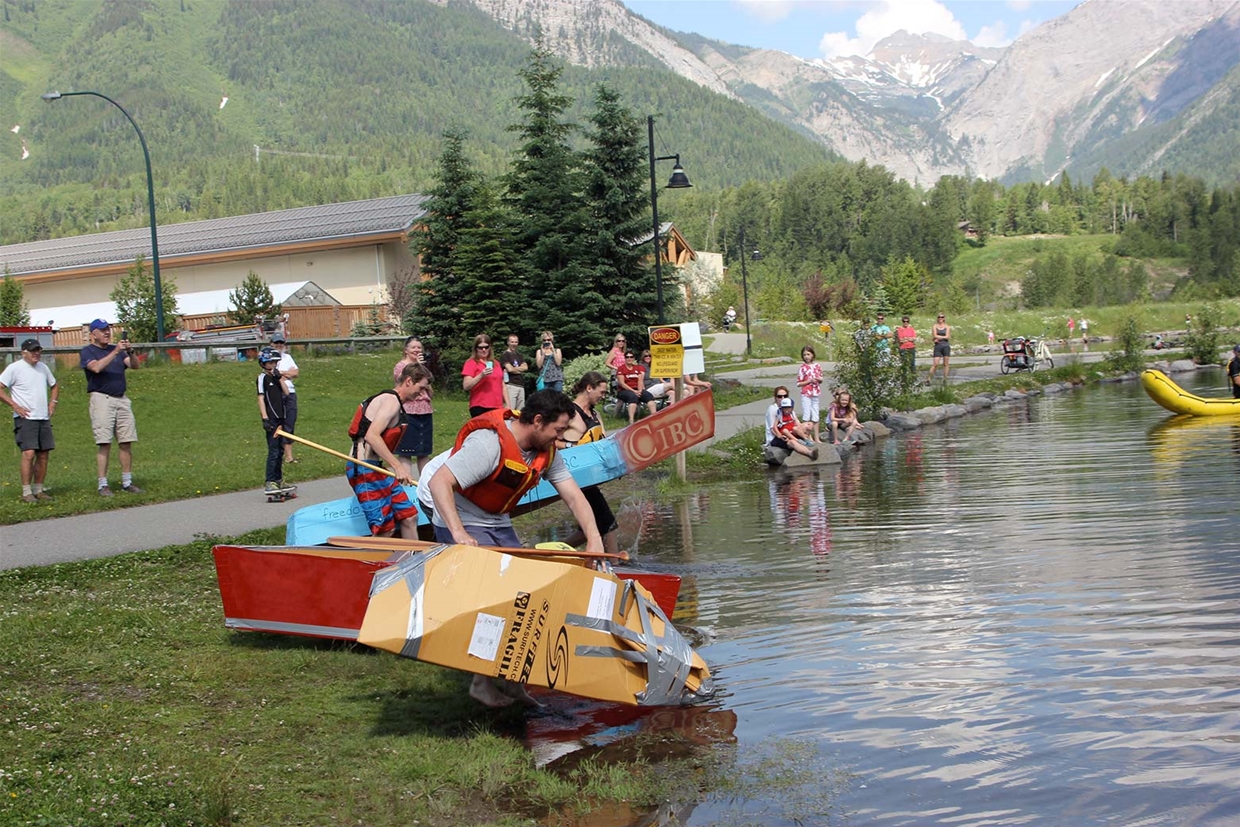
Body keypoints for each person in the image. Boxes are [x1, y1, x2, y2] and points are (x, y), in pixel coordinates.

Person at [427, 389, 603, 708]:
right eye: (559, 430)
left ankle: (513, 682)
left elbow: (575, 496)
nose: (561, 438)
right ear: (537, 421)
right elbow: (439, 482)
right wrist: (458, 533)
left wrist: (594, 539)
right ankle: (481, 683)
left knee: (527, 594)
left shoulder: (546, 451)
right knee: (493, 600)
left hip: (495, 516)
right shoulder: (488, 444)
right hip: (458, 510)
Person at [348, 362, 431, 539]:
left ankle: (414, 562)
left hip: (376, 467)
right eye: (420, 387)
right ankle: (372, 565)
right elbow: (372, 436)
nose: (421, 393)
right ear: (409, 381)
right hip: (363, 468)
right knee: (385, 529)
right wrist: (397, 466)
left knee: (409, 516)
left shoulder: (394, 402)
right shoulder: (390, 401)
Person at [79, 319, 142, 497]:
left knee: (126, 441)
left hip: (121, 399)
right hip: (102, 399)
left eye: (108, 329)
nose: (107, 333)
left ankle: (127, 481)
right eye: (102, 330)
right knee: (104, 443)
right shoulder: (88, 351)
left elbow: (135, 366)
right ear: (93, 334)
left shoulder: (119, 352)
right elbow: (96, 368)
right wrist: (115, 352)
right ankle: (103, 484)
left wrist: (130, 351)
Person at [562, 371, 620, 556]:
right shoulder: (569, 412)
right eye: (601, 392)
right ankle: (616, 564)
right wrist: (571, 445)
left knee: (587, 529)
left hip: (591, 476)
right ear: (589, 388)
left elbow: (604, 443)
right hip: (574, 476)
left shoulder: (595, 414)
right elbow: (550, 437)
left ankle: (551, 552)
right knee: (607, 522)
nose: (603, 396)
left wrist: (616, 467)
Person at [0, 339, 59, 503]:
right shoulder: (14, 368)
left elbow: (54, 385)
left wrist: (53, 403)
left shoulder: (43, 368)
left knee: (43, 454)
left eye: (38, 350)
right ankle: (26, 492)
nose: (36, 354)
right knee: (29, 453)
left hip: (43, 417)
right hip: (26, 418)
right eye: (33, 351)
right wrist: (15, 405)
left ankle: (38, 490)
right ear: (23, 352)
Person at [393, 336, 433, 475]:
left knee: (424, 452)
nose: (417, 350)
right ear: (406, 350)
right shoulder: (401, 366)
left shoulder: (423, 368)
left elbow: (429, 390)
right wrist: (418, 366)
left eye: (419, 347)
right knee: (406, 451)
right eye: (413, 347)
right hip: (409, 411)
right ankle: (407, 485)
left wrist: (422, 368)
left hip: (425, 411)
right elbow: (403, 386)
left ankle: (426, 486)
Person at [256, 347, 290, 494]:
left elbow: (287, 393)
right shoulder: (262, 378)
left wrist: (279, 378)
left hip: (281, 419)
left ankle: (278, 480)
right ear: (263, 363)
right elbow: (261, 398)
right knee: (273, 451)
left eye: (275, 362)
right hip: (271, 420)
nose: (274, 365)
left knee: (281, 450)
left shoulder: (276, 378)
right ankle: (270, 481)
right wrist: (265, 418)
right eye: (271, 363)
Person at [765, 386, 817, 459]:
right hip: (776, 436)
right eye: (779, 396)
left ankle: (810, 441)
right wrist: (780, 436)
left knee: (808, 425)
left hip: (789, 430)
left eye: (785, 396)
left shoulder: (790, 410)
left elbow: (797, 422)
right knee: (791, 442)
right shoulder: (773, 409)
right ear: (775, 397)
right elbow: (772, 428)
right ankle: (809, 453)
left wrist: (802, 429)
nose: (782, 398)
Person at [270, 335, 300, 464]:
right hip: (276, 393)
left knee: (290, 422)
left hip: (290, 393)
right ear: (271, 343)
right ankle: (277, 455)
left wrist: (280, 373)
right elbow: (271, 373)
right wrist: (286, 374)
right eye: (276, 342)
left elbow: (296, 373)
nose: (279, 345)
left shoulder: (287, 357)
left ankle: (289, 456)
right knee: (277, 423)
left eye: (281, 342)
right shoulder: (269, 358)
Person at [462, 334, 504, 418]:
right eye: (480, 347)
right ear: (476, 349)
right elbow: (466, 386)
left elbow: (502, 385)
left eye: (486, 347)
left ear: (490, 347)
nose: (484, 350)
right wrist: (481, 375)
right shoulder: (471, 363)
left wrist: (508, 404)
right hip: (480, 405)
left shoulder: (496, 363)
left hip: (497, 406)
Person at [616, 350, 656, 424]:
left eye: (631, 357)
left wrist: (640, 391)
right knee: (633, 397)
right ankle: (631, 420)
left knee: (649, 396)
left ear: (634, 358)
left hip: (637, 389)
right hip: (624, 390)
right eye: (627, 357)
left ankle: (654, 417)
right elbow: (622, 383)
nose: (629, 359)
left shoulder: (638, 368)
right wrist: (634, 391)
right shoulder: (621, 368)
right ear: (625, 358)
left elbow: (640, 381)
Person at [796, 345, 823, 443]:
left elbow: (821, 379)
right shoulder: (802, 368)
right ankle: (807, 437)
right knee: (807, 415)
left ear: (812, 355)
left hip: (815, 393)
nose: (806, 356)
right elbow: (799, 383)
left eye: (808, 354)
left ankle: (817, 438)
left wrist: (819, 379)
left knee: (815, 415)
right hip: (806, 393)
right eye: (804, 355)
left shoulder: (817, 366)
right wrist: (808, 381)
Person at [499, 334, 529, 411]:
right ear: (508, 343)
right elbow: (510, 369)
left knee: (520, 412)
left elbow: (526, 367)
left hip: (520, 385)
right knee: (510, 410)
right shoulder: (505, 355)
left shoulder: (519, 355)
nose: (514, 344)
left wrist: (515, 369)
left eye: (516, 342)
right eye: (512, 342)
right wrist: (519, 369)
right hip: (510, 385)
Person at [928, 313, 951, 383]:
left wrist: (938, 337)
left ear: (944, 318)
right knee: (935, 363)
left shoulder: (947, 326)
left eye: (942, 317)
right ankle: (929, 378)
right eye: (939, 317)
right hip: (938, 346)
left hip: (946, 346)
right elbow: (934, 335)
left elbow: (948, 336)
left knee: (945, 363)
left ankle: (945, 379)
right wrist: (941, 337)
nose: (940, 318)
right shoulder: (935, 326)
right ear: (937, 318)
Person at [895, 316, 917, 383]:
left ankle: (913, 377)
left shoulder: (911, 329)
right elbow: (901, 340)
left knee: (912, 363)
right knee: (904, 363)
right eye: (904, 321)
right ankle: (903, 378)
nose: (906, 323)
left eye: (907, 321)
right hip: (903, 348)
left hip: (911, 347)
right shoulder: (900, 329)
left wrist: (907, 338)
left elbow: (914, 338)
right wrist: (909, 339)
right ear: (902, 322)